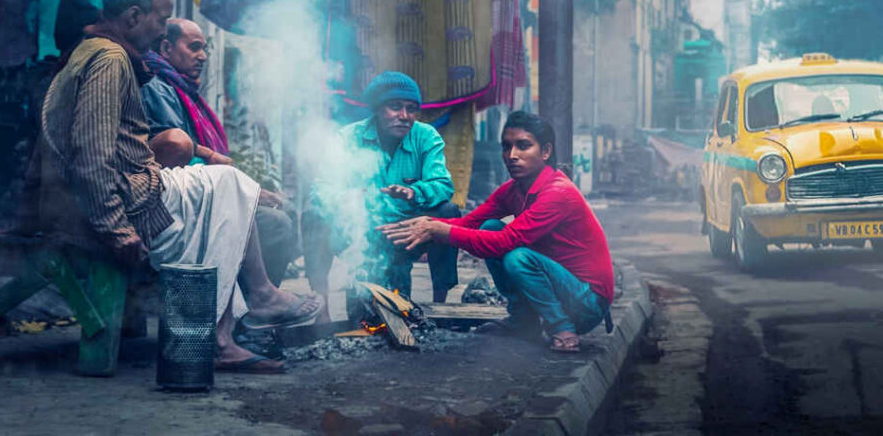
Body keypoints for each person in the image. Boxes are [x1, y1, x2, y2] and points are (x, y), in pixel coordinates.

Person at [33, 0, 319, 374]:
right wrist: (117, 229)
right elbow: (91, 155)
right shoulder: (109, 59)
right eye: (159, 19)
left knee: (227, 186)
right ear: (133, 17)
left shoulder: (99, 53)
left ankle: (242, 314)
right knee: (227, 186)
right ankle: (234, 323)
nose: (160, 31)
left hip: (118, 192)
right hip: (108, 208)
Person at [381, 111, 614, 353]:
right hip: (561, 288)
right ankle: (523, 322)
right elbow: (471, 222)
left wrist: (439, 230)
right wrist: (426, 223)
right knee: (489, 227)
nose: (512, 156)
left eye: (523, 146)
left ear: (545, 152)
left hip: (587, 302)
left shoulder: (557, 192)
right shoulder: (513, 190)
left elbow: (506, 242)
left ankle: (563, 330)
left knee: (517, 257)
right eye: (507, 147)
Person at [140, 18, 297, 286]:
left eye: (204, 49)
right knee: (276, 225)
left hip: (203, 192)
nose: (202, 56)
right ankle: (251, 308)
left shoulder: (184, 91)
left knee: (287, 209)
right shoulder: (159, 88)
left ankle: (255, 308)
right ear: (166, 48)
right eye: (194, 47)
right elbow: (180, 156)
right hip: (183, 202)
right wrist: (245, 192)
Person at [305, 71, 459, 318]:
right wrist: (348, 196)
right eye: (395, 107)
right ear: (377, 109)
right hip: (360, 233)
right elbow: (321, 189)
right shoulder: (347, 137)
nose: (404, 116)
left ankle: (440, 305)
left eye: (411, 108)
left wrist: (413, 192)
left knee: (448, 213)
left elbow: (443, 185)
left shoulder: (426, 136)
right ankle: (321, 309)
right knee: (313, 215)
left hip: (409, 230)